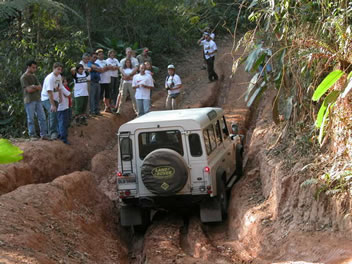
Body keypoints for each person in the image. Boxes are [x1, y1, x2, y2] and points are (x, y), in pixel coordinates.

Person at [20, 60, 48, 140]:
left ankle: (44, 134)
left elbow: (40, 86)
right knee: (30, 118)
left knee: (42, 117)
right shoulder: (23, 77)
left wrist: (33, 86)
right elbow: (29, 90)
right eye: (33, 67)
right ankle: (32, 135)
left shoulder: (34, 76)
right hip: (29, 100)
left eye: (35, 68)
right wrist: (36, 87)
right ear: (28, 67)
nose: (34, 69)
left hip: (38, 99)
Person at [41, 62, 64, 140]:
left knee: (54, 115)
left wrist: (60, 97)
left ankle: (51, 132)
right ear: (54, 68)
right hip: (47, 98)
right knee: (52, 112)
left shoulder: (59, 77)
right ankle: (52, 133)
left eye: (61, 69)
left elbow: (60, 88)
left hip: (55, 98)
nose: (59, 71)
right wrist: (52, 104)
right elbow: (49, 92)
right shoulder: (50, 78)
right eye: (58, 69)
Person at [57, 77, 71, 144]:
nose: (65, 83)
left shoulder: (56, 87)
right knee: (63, 123)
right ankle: (63, 138)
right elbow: (69, 94)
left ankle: (60, 136)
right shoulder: (61, 87)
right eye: (64, 81)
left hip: (59, 107)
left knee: (60, 122)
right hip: (63, 107)